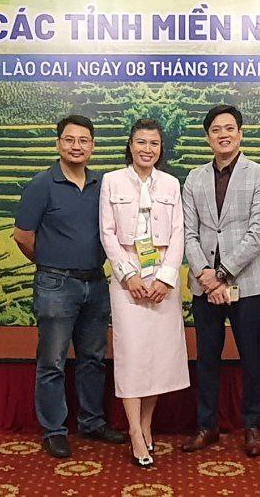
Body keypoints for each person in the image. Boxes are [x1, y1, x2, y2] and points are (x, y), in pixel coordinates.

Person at [13, 114, 129, 458]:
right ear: (58, 143)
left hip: (95, 283)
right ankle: (54, 430)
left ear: (92, 146)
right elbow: (23, 236)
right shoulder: (41, 184)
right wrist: (52, 261)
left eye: (83, 140)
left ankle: (92, 422)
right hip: (56, 284)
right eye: (69, 139)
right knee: (53, 361)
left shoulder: (102, 185)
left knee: (93, 358)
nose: (76, 146)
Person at [180, 104, 260, 458]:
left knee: (251, 355)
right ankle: (207, 426)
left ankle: (252, 427)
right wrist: (205, 274)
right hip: (204, 283)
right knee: (206, 357)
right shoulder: (194, 178)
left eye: (229, 128)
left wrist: (221, 273)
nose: (223, 135)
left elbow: (258, 234)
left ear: (240, 133)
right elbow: (189, 232)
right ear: (208, 137)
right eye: (216, 130)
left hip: (246, 282)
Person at [98, 119, 190, 467]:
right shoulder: (112, 181)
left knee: (158, 358)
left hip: (162, 273)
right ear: (130, 145)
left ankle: (147, 423)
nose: (147, 149)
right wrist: (128, 274)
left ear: (161, 148)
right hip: (128, 276)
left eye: (154, 143)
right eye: (141, 142)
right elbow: (107, 233)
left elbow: (179, 233)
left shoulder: (170, 183)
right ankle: (135, 432)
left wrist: (166, 278)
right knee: (133, 355)